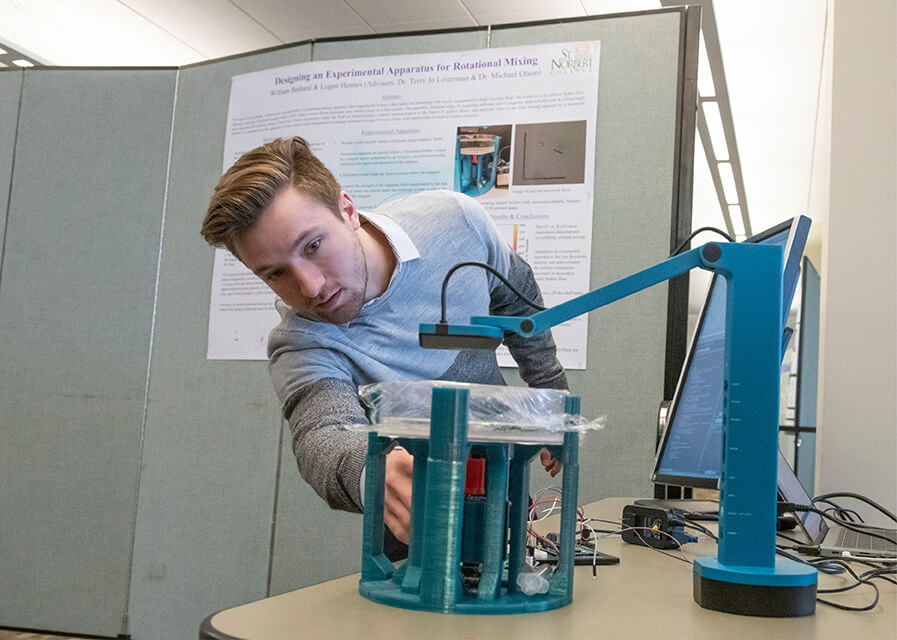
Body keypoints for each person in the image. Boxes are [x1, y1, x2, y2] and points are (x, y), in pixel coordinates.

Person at [201, 136, 568, 558]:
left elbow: (516, 296)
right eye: (275, 273)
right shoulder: (302, 342)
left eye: (314, 246)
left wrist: (550, 394)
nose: (310, 287)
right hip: (412, 525)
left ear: (347, 210)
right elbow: (323, 436)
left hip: (500, 485)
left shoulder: (454, 223)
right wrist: (375, 470)